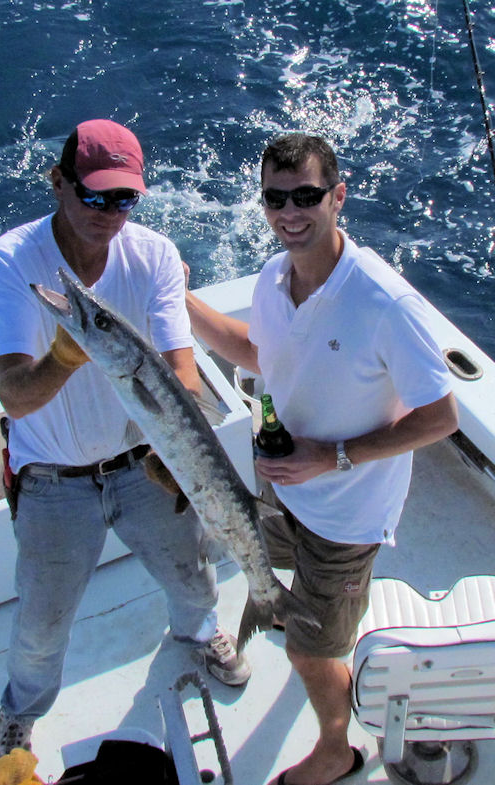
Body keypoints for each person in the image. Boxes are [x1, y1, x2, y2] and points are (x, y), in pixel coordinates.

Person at [185, 133, 459, 785]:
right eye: (276, 198)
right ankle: (316, 612)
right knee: (260, 564)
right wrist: (180, 303)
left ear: (338, 196)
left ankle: (337, 750)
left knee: (310, 650)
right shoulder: (274, 278)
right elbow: (260, 354)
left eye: (307, 195)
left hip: (347, 514)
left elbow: (441, 415)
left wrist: (332, 456)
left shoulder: (384, 302)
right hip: (285, 488)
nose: (290, 212)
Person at [0, 119, 251, 765]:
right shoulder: (11, 260)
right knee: (42, 625)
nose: (109, 214)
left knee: (192, 578)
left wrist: (170, 447)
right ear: (58, 183)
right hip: (53, 481)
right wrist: (67, 356)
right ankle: (19, 714)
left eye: (124, 198)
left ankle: (200, 634)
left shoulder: (153, 252)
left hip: (143, 463)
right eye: (94, 196)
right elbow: (14, 395)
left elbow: (181, 369)